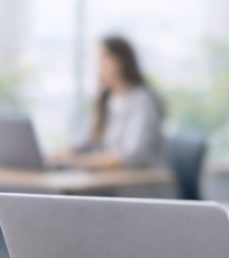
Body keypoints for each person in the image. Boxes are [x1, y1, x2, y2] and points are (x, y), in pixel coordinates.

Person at [53, 35, 166, 170]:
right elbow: (87, 142)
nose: (98, 66)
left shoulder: (143, 101)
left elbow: (133, 155)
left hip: (142, 183)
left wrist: (81, 161)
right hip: (110, 183)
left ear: (121, 61)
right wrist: (63, 155)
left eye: (103, 58)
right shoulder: (106, 100)